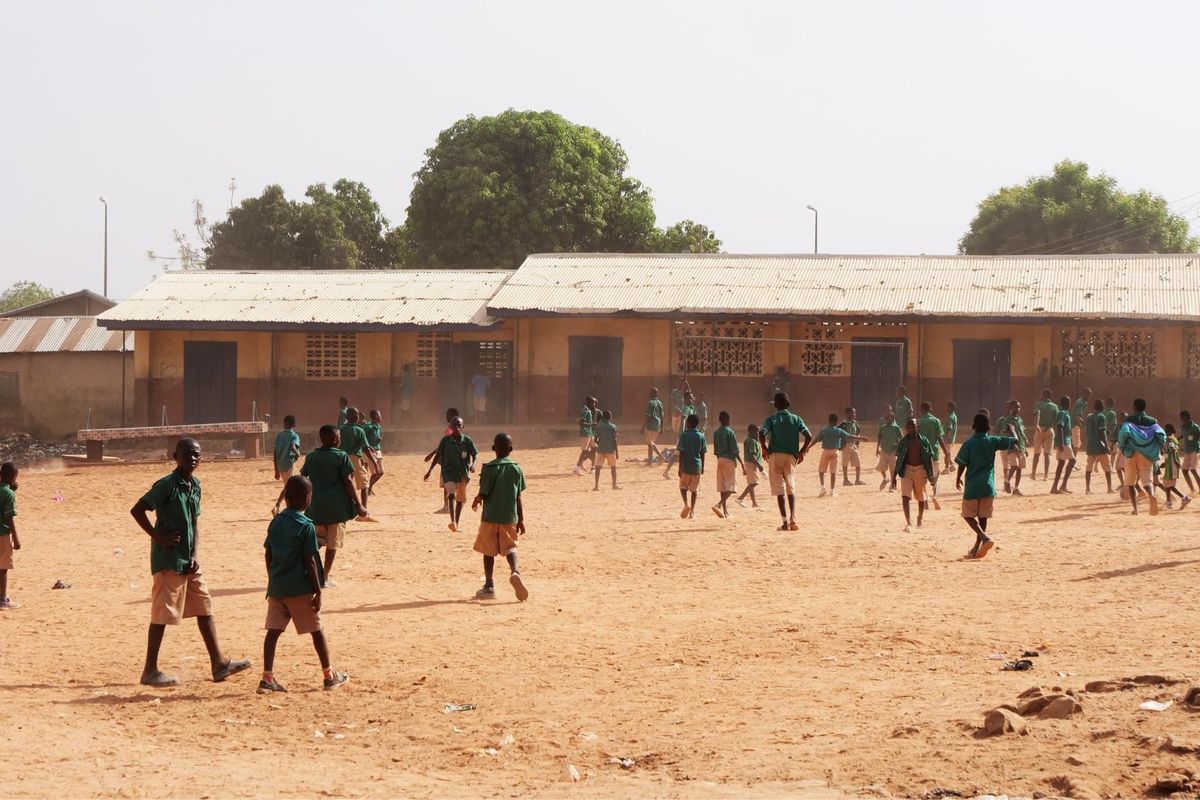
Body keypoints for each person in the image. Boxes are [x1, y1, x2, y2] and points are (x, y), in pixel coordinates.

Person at [130, 438, 251, 687]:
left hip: (189, 561)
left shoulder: (195, 485)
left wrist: (195, 555)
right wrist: (157, 536)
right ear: (175, 456)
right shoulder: (166, 485)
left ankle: (219, 663)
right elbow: (138, 510)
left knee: (204, 607)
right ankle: (149, 670)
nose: (192, 459)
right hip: (169, 560)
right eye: (187, 454)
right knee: (162, 614)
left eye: (196, 455)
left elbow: (195, 524)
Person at [259, 475, 348, 694]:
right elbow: (310, 560)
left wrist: (273, 577)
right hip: (300, 588)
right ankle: (329, 676)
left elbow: (268, 552)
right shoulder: (306, 526)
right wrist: (317, 590)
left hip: (277, 588)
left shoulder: (276, 522)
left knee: (273, 632)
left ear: (286, 498)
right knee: (317, 630)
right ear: (308, 498)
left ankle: (267, 678)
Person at [291, 425, 364, 586]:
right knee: (333, 543)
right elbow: (348, 481)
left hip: (316, 507)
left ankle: (304, 567)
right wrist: (359, 504)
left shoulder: (312, 456)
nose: (340, 440)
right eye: (339, 437)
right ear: (334, 439)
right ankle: (324, 577)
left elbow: (303, 478)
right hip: (337, 508)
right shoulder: (341, 456)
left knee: (317, 540)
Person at [471, 433, 529, 601]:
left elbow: (484, 491)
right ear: (511, 450)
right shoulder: (516, 468)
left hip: (490, 516)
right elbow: (518, 496)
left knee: (488, 551)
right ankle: (515, 572)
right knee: (511, 547)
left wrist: (477, 500)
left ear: (493, 449)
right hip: (509, 516)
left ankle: (489, 586)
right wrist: (521, 520)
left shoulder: (489, 468)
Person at [954, 413, 1016, 559]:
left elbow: (962, 464)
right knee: (983, 517)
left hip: (973, 485)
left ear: (973, 427)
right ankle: (977, 547)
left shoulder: (968, 443)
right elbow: (1015, 441)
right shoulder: (993, 441)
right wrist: (1012, 429)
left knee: (968, 515)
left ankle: (983, 538)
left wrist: (958, 478)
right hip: (988, 485)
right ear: (989, 427)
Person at [759, 392, 813, 532]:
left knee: (779, 490)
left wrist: (764, 448)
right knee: (791, 486)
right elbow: (808, 436)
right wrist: (802, 451)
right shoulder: (796, 419)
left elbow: (761, 432)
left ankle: (784, 523)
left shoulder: (772, 419)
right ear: (788, 404)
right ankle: (793, 520)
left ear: (775, 405)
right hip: (791, 457)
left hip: (775, 456)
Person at [425, 416, 478, 532]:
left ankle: (456, 524)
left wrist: (473, 465)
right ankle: (452, 520)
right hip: (448, 472)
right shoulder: (445, 441)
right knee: (451, 494)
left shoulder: (467, 441)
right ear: (451, 427)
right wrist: (429, 471)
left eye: (459, 425)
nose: (457, 428)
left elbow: (475, 454)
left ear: (462, 426)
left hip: (463, 473)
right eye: (454, 425)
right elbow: (438, 455)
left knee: (461, 499)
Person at [1117, 398, 1166, 516]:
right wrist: (1157, 447)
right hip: (1147, 454)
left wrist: (1123, 447)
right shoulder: (1152, 421)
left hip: (1131, 453)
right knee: (1147, 481)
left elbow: (1123, 433)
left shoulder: (1129, 420)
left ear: (1134, 407)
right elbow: (1162, 436)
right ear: (1144, 408)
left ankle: (1135, 510)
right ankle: (1151, 495)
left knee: (1131, 482)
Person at [892, 417, 933, 532]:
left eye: (913, 426)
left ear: (917, 427)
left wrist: (931, 475)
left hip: (921, 470)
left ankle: (919, 518)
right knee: (905, 496)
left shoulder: (924, 441)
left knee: (920, 497)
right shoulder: (903, 442)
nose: (910, 428)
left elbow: (929, 458)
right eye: (908, 427)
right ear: (906, 428)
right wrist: (894, 476)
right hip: (907, 470)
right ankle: (909, 522)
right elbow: (899, 459)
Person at [339, 408, 379, 518]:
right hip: (354, 458)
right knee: (364, 484)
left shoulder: (340, 428)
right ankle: (363, 512)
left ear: (346, 417)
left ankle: (344, 510)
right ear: (357, 417)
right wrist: (374, 462)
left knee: (344, 483)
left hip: (341, 457)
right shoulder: (359, 430)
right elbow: (365, 448)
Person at [816, 413, 866, 497]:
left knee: (821, 471)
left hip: (826, 451)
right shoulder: (839, 430)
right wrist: (861, 438)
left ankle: (823, 487)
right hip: (835, 452)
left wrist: (808, 447)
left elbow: (816, 440)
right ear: (836, 422)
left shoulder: (824, 430)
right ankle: (832, 491)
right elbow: (850, 436)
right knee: (833, 472)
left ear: (828, 421)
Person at [424, 408, 461, 512]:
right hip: (450, 459)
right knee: (449, 483)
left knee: (446, 483)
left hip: (447, 460)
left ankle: (447, 507)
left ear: (454, 416)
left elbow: (444, 445)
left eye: (448, 414)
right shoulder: (452, 429)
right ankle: (448, 506)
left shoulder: (451, 430)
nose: (446, 416)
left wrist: (431, 454)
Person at [917, 401, 952, 499]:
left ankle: (925, 498)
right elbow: (940, 438)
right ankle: (935, 495)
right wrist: (946, 452)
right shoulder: (936, 421)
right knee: (935, 474)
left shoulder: (919, 422)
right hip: (934, 452)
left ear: (922, 410)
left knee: (922, 476)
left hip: (922, 453)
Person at [676, 413, 707, 519]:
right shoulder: (701, 436)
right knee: (694, 490)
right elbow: (703, 453)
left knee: (683, 487)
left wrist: (680, 467)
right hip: (697, 466)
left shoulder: (684, 435)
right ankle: (692, 511)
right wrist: (702, 467)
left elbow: (681, 453)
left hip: (686, 466)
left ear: (688, 423)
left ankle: (686, 504)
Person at [712, 411, 742, 518]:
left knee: (722, 487)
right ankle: (719, 504)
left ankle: (725, 511)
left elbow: (715, 450)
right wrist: (742, 464)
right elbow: (735, 450)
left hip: (720, 459)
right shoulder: (730, 432)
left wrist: (720, 459)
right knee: (731, 488)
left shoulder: (716, 433)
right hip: (729, 460)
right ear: (727, 420)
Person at [997, 400, 1028, 495]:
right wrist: (1013, 445)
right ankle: (1007, 481)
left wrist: (1025, 448)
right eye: (1015, 407)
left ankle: (1016, 488)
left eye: (1019, 407)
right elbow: (1007, 434)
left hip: (1021, 447)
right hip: (1012, 447)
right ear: (1011, 408)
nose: (1017, 409)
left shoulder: (1020, 420)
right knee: (1014, 466)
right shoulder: (1008, 420)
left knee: (1020, 468)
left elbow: (1022, 434)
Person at [0, 462, 19, 610]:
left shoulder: (6, 491)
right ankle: (2, 599)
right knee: (3, 568)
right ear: (13, 477)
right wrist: (16, 538)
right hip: (3, 534)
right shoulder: (9, 494)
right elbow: (9, 517)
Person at [1083, 398, 1113, 495]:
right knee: (1107, 468)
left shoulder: (1089, 417)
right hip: (1099, 447)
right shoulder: (1101, 417)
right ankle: (1109, 488)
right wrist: (1106, 446)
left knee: (1089, 468)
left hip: (1090, 446)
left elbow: (1089, 431)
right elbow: (1101, 433)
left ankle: (1087, 489)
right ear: (1102, 407)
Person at [1158, 423, 1191, 510]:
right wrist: (1165, 463)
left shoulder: (1169, 439)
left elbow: (1172, 450)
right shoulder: (1174, 439)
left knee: (1170, 485)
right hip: (1170, 464)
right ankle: (1168, 502)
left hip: (1172, 465)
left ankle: (1184, 498)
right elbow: (1169, 453)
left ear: (1168, 431)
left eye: (1165, 430)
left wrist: (1174, 461)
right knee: (1167, 484)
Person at [1051, 395, 1077, 494]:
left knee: (1061, 463)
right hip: (1064, 442)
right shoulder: (1062, 413)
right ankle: (1062, 485)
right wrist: (1061, 442)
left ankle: (1056, 487)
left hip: (1066, 441)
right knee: (1072, 461)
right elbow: (1060, 427)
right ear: (1067, 404)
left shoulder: (1066, 414)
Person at [1031, 389, 1059, 480]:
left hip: (1039, 429)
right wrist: (1050, 425)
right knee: (1047, 454)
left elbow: (1037, 414)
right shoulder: (1055, 406)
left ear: (1044, 395)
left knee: (1036, 453)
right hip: (1049, 430)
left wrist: (1036, 424)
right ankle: (1045, 476)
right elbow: (1056, 420)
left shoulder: (1038, 404)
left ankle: (1033, 474)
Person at [737, 423, 765, 508]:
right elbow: (752, 455)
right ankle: (740, 498)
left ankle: (754, 503)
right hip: (751, 464)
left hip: (750, 463)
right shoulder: (752, 441)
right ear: (751, 431)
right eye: (757, 431)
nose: (758, 433)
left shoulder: (750, 440)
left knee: (751, 483)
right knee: (754, 483)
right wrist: (759, 465)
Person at [592, 409, 620, 491]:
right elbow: (615, 440)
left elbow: (595, 439)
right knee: (613, 467)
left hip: (600, 449)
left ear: (603, 417)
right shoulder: (613, 427)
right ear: (610, 417)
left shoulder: (598, 427)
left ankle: (596, 486)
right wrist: (617, 451)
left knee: (598, 467)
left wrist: (599, 442)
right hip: (610, 450)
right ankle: (614, 485)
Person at [875, 411, 903, 491]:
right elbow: (879, 438)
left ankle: (893, 485)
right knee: (882, 468)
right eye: (887, 418)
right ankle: (885, 478)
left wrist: (899, 448)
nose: (888, 419)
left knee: (892, 469)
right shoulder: (882, 428)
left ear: (893, 418)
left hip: (893, 451)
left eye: (890, 417)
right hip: (884, 450)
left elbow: (901, 439)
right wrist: (877, 449)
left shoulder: (896, 428)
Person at [839, 407, 866, 487]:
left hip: (854, 446)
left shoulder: (855, 423)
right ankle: (845, 480)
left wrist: (857, 441)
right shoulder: (843, 424)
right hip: (846, 446)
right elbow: (838, 433)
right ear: (847, 414)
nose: (854, 415)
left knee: (858, 463)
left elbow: (858, 432)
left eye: (854, 413)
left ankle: (857, 480)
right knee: (845, 463)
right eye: (852, 413)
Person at [573, 397, 598, 476]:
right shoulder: (585, 411)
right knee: (585, 450)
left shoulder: (588, 410)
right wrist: (591, 424)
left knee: (594, 448)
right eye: (593, 403)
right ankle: (577, 467)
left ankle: (586, 464)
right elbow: (581, 422)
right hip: (585, 433)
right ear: (589, 403)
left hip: (589, 433)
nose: (594, 404)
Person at [364, 409, 386, 495]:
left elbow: (376, 437)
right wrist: (368, 447)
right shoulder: (368, 427)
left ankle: (369, 488)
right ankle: (368, 489)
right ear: (376, 417)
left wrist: (378, 439)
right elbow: (363, 438)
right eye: (380, 415)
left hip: (378, 450)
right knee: (375, 472)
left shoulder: (378, 427)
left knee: (381, 472)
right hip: (370, 452)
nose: (381, 417)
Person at [273, 415, 301, 482]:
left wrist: (276, 470)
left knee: (287, 485)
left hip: (280, 465)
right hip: (288, 464)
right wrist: (298, 454)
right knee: (288, 487)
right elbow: (293, 448)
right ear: (294, 425)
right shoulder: (294, 436)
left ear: (284, 424)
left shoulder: (279, 435)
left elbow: (275, 454)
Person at [642, 388, 665, 464]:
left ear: (651, 394)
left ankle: (650, 461)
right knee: (651, 443)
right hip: (657, 425)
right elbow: (662, 417)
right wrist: (662, 427)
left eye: (650, 393)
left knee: (650, 444)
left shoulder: (650, 403)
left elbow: (648, 416)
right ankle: (661, 457)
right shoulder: (660, 403)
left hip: (651, 425)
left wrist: (643, 427)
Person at [1179, 410, 1200, 492]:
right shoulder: (1183, 427)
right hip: (1187, 451)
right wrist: (1177, 439)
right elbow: (1183, 435)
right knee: (1184, 471)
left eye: (1184, 419)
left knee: (1193, 470)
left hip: (1194, 450)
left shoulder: (1195, 427)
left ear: (1189, 418)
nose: (1183, 421)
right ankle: (1192, 490)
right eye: (1182, 419)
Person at [1072, 387, 1093, 452]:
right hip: (1074, 425)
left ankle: (1072, 459)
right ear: (1084, 394)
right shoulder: (1081, 402)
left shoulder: (1083, 402)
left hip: (1074, 425)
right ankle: (1072, 460)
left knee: (1075, 444)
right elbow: (1077, 416)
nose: (1089, 396)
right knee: (1077, 445)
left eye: (1090, 394)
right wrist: (1086, 424)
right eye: (1088, 394)